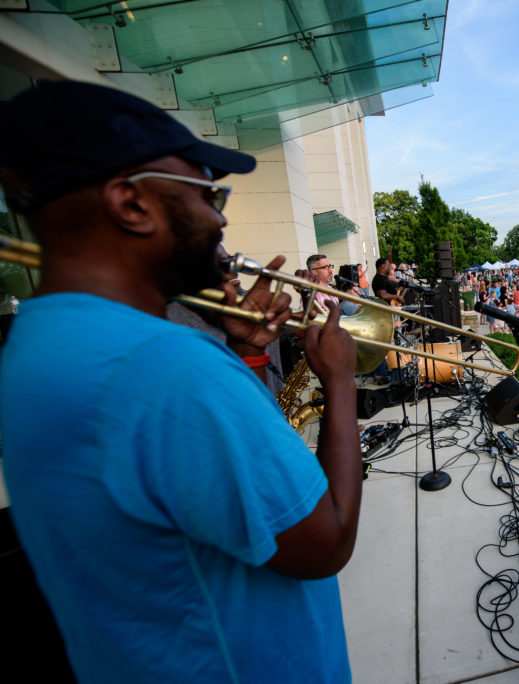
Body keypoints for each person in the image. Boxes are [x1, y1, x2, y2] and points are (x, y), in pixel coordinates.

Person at [0, 80, 361, 682]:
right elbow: (327, 542)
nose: (218, 217)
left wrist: (243, 359)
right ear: (131, 204)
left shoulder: (37, 342)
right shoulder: (167, 367)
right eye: (206, 192)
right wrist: (341, 380)